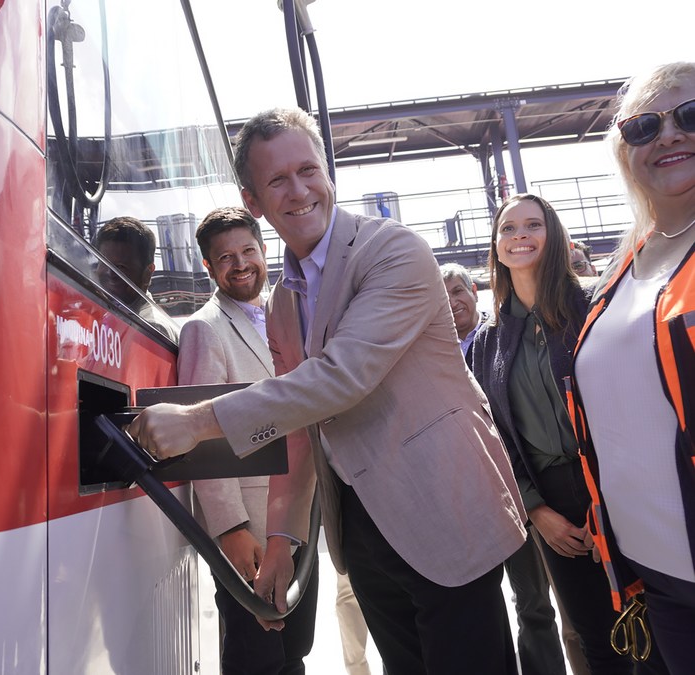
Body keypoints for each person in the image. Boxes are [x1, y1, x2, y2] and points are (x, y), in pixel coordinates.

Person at [130, 107, 527, 675]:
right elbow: (300, 429)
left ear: (328, 171)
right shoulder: (284, 303)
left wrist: (194, 422)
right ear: (253, 201)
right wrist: (279, 543)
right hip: (362, 531)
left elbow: (338, 380)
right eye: (277, 181)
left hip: (444, 513)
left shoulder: (395, 252)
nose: (298, 191)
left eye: (307, 170)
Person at [471, 193, 660, 674]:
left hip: (618, 485)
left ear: (553, 236)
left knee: (655, 624)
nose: (520, 236)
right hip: (551, 501)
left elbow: (631, 404)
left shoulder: (594, 305)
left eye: (532, 225)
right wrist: (535, 510)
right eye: (508, 229)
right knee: (596, 637)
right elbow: (497, 438)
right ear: (495, 246)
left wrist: (612, 501)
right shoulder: (488, 339)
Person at [570, 62, 695, 675]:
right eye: (645, 126)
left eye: (690, 116)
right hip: (655, 577)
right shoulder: (626, 265)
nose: (669, 135)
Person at [178, 205, 318, 674]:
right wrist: (231, 531)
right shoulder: (205, 329)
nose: (240, 264)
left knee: (295, 651)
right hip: (252, 532)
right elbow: (200, 439)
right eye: (225, 258)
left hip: (300, 520)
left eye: (248, 251)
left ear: (263, 251)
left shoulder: (287, 317)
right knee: (256, 659)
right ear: (208, 267)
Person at [441, 263, 566, 675]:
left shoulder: (501, 339)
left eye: (458, 290)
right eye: (442, 296)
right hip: (472, 501)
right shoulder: (435, 356)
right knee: (502, 604)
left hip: (524, 489)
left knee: (544, 602)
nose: (452, 301)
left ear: (474, 291)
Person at [93, 216, 178, 339]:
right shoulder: (113, 317)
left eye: (121, 267)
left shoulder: (150, 328)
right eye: (103, 263)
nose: (110, 274)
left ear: (147, 273)